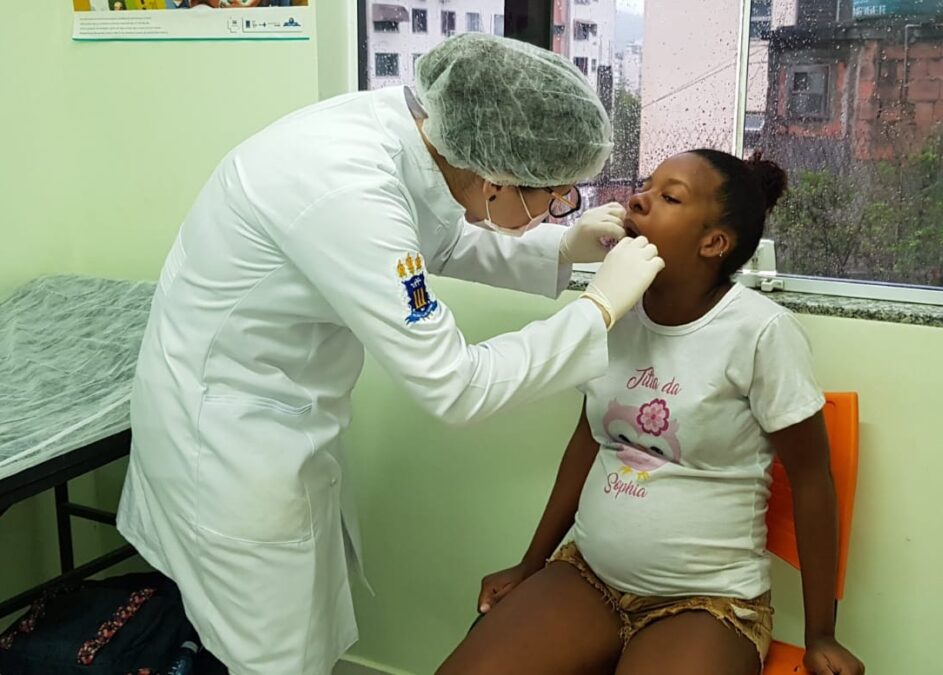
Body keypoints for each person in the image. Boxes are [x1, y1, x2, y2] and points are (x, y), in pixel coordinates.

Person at [116, 33, 663, 675]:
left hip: (268, 416)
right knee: (272, 660)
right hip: (226, 448)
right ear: (496, 174)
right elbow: (456, 386)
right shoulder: (347, 187)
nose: (560, 207)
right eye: (557, 195)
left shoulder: (415, 136)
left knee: (290, 640)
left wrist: (561, 248)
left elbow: (437, 238)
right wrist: (598, 309)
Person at [438, 150, 865, 675]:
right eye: (645, 186)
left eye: (669, 197)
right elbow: (588, 442)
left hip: (707, 603)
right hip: (588, 578)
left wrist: (822, 634)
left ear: (714, 243)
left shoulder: (760, 333)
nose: (638, 199)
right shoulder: (615, 310)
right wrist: (532, 563)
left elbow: (812, 479)